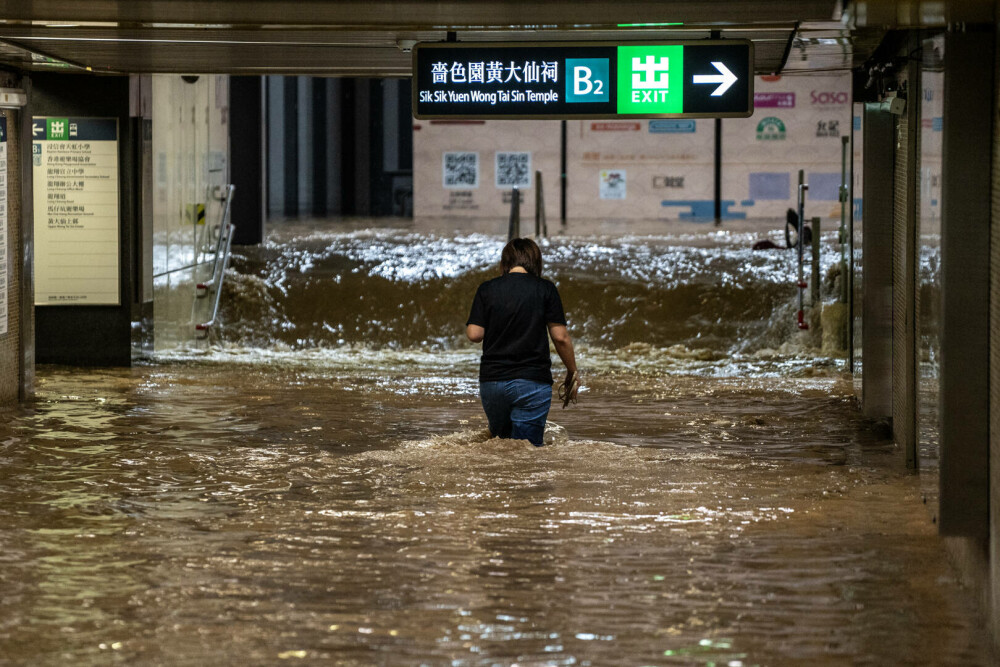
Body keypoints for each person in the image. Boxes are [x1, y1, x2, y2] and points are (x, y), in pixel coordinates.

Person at [466, 238, 579, 446]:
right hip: (532, 382)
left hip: (493, 383)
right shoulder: (545, 289)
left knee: (501, 446)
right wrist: (572, 371)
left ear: (505, 262)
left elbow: (474, 334)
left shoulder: (487, 289)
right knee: (527, 452)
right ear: (535, 262)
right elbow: (560, 337)